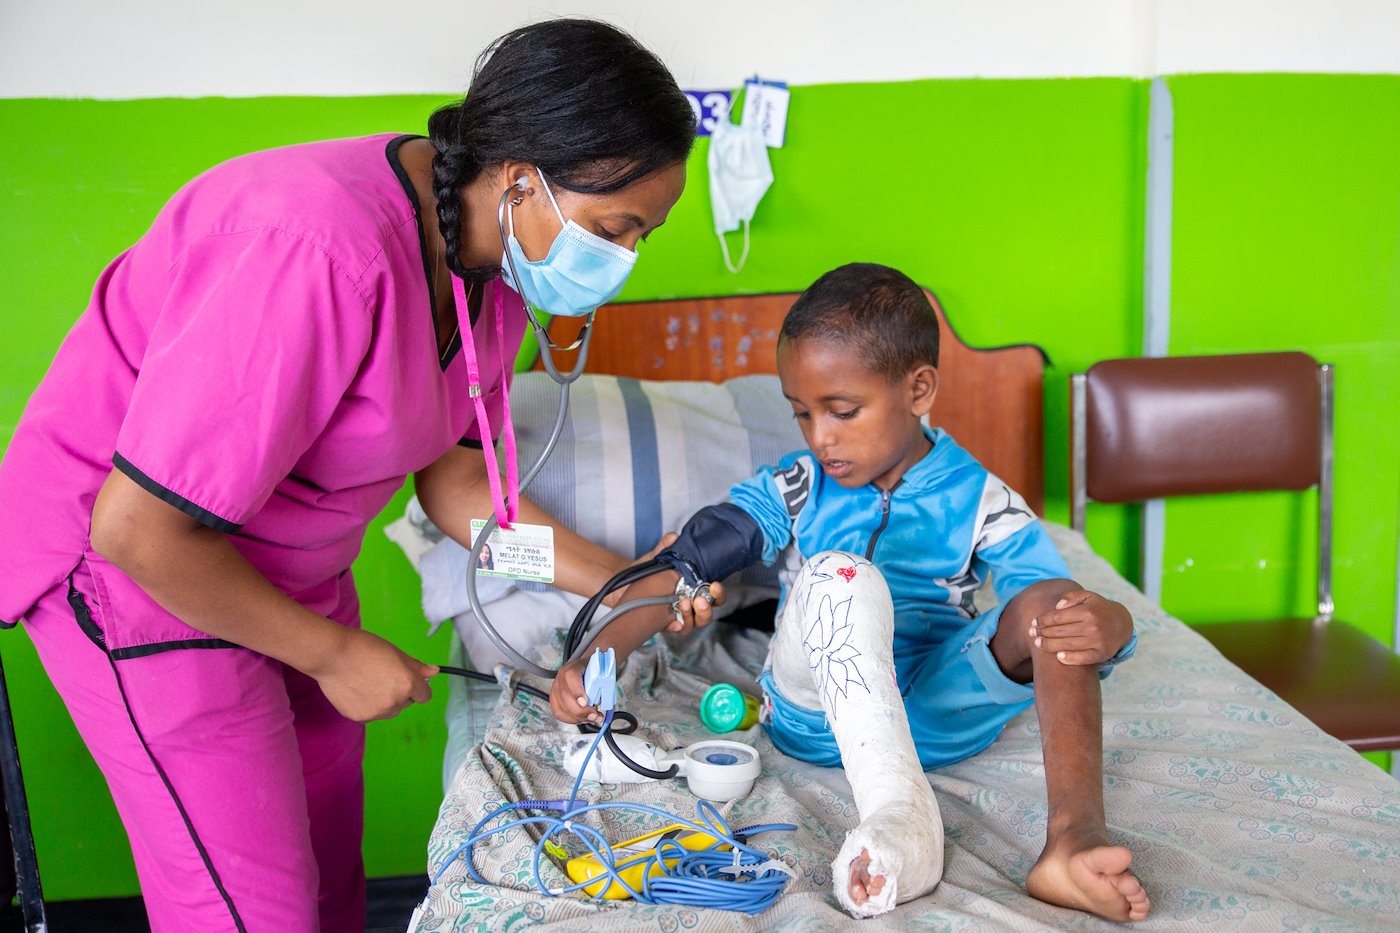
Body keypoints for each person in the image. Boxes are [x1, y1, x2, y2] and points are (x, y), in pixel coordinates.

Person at [0, 19, 698, 933]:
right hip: (145, 581)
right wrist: (331, 653)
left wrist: (618, 582)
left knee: (331, 886)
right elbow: (137, 529)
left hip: (291, 577)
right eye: (619, 228)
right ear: (524, 175)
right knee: (256, 913)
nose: (625, 259)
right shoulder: (314, 248)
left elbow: (457, 494)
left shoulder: (490, 276)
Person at [551, 263, 1150, 922]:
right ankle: (900, 811)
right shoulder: (799, 484)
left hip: (931, 713)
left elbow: (1052, 606)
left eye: (842, 411)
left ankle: (1073, 840)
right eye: (802, 413)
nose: (819, 437)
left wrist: (1111, 620)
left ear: (918, 388)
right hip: (815, 718)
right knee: (837, 574)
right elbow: (686, 562)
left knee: (1054, 607)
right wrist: (590, 660)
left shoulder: (979, 497)